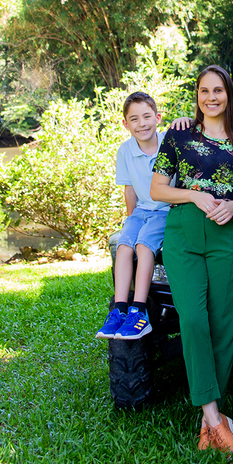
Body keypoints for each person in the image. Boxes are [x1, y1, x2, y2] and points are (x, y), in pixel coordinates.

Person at [150, 65, 233, 456]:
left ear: (230, 95)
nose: (211, 97)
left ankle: (207, 416)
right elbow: (158, 189)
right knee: (194, 319)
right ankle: (216, 418)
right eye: (204, 91)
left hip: (228, 236)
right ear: (196, 95)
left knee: (224, 323)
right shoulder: (179, 134)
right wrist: (195, 196)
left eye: (218, 91)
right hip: (183, 233)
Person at [95, 91, 168, 341]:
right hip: (141, 212)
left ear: (158, 118)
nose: (142, 123)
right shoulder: (125, 150)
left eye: (147, 116)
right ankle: (119, 308)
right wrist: (130, 221)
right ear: (125, 124)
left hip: (165, 210)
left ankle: (140, 310)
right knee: (125, 245)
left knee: (144, 245)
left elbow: (198, 129)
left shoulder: (169, 141)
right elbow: (129, 189)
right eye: (134, 119)